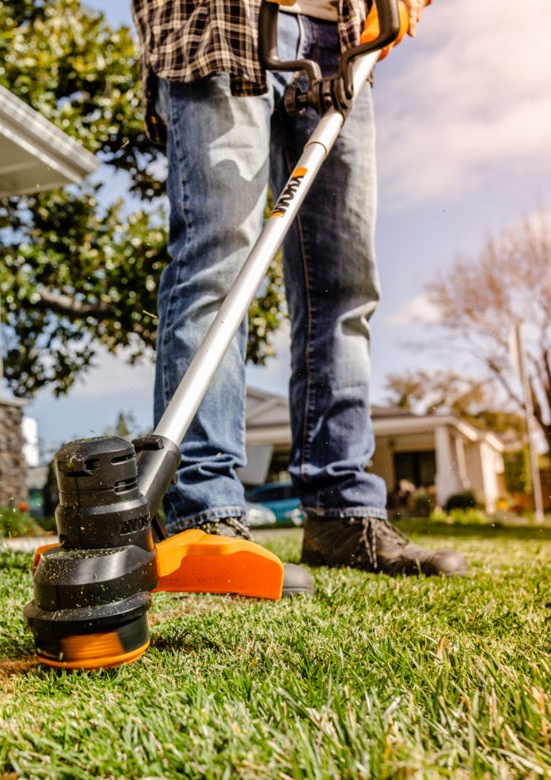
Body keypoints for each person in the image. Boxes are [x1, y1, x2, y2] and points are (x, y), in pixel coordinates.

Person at [130, 0, 468, 585]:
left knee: (345, 285)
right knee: (218, 264)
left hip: (342, 35)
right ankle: (202, 512)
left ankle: (342, 511)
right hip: (220, 23)